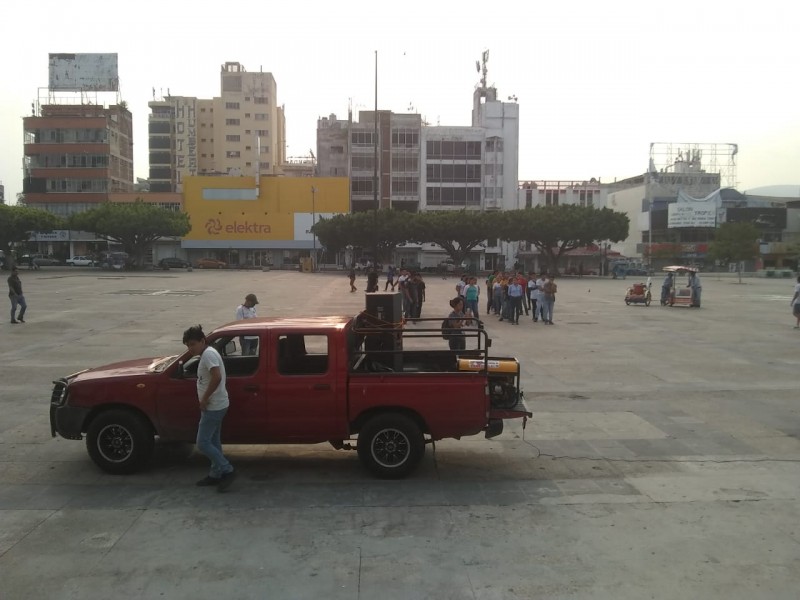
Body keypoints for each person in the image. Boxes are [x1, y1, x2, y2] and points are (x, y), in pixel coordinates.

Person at [183, 325, 236, 491]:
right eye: (188, 345)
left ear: (202, 341)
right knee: (214, 441)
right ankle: (215, 473)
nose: (190, 348)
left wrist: (204, 398)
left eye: (193, 344)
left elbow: (217, 377)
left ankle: (227, 469)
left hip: (214, 406)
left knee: (203, 442)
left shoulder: (208, 355)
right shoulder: (207, 354)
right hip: (216, 404)